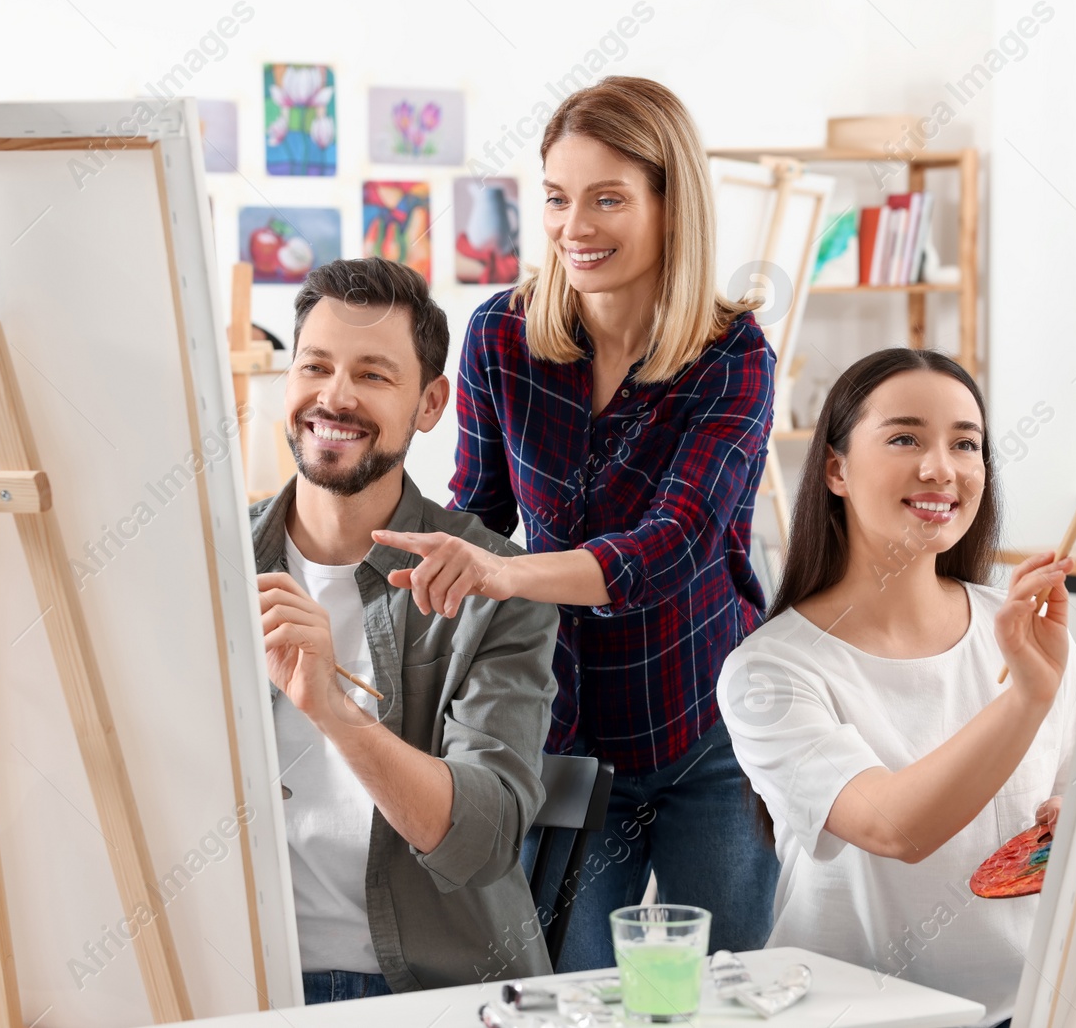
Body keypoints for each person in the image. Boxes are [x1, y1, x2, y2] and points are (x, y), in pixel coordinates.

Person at [372, 76, 779, 970]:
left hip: (706, 731)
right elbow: (480, 513)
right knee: (565, 991)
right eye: (557, 198)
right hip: (564, 740)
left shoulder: (732, 357)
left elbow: (675, 545)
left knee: (714, 993)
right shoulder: (501, 337)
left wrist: (506, 574)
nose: (575, 227)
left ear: (671, 204)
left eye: (608, 199)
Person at [716, 347, 1076, 1028]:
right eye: (904, 437)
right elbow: (893, 826)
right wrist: (1026, 696)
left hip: (1029, 1009)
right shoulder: (767, 672)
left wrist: (1075, 818)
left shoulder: (1028, 636)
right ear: (835, 469)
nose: (941, 467)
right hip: (848, 1015)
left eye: (965, 444)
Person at [251, 257, 559, 1002]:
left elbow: (482, 842)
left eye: (372, 375)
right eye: (315, 365)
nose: (334, 396)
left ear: (429, 404)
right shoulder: (207, 567)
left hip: (432, 994)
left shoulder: (495, 583)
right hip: (247, 985)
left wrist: (331, 706)